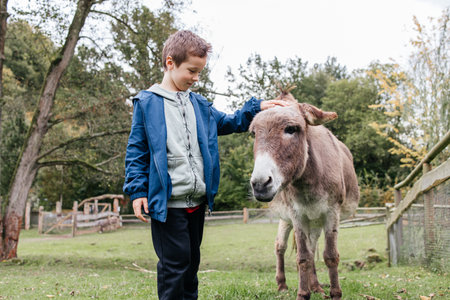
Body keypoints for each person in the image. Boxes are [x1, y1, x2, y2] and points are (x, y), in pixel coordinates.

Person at [123, 30, 286, 300]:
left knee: (190, 266)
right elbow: (136, 151)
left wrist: (257, 107)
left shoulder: (199, 105)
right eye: (192, 71)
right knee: (174, 266)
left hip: (196, 203)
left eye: (200, 72)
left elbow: (230, 122)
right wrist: (138, 191)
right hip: (168, 204)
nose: (196, 78)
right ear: (170, 63)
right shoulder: (147, 103)